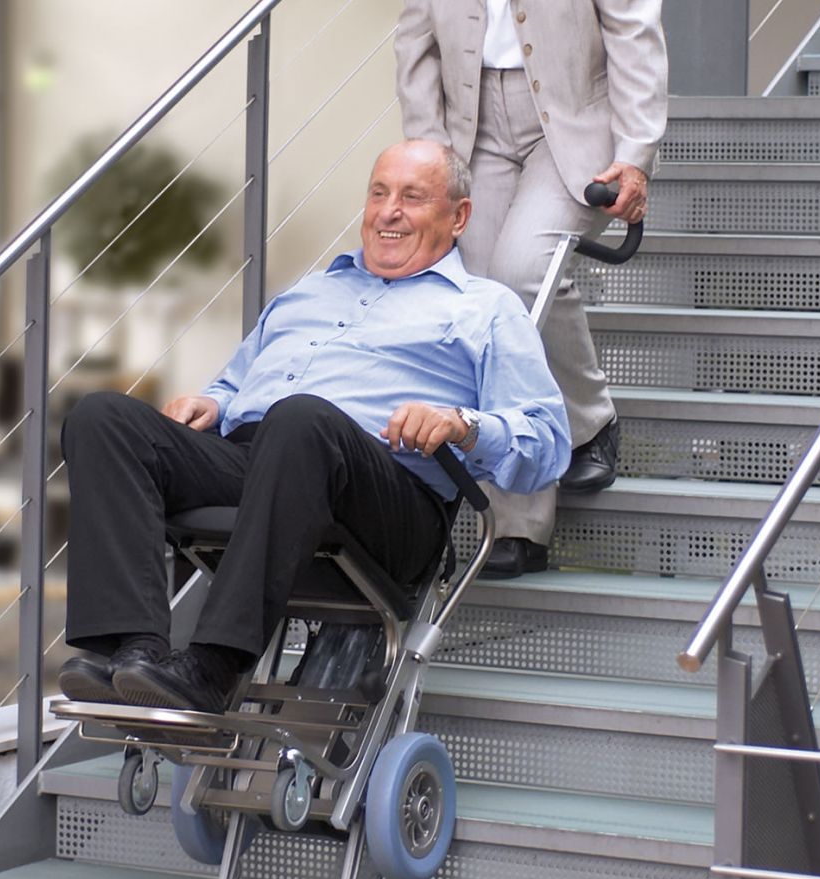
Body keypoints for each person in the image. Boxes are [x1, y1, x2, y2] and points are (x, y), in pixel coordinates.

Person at [56, 139, 571, 714]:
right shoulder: (308, 291)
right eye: (379, 193)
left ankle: (214, 666)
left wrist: (463, 424)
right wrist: (215, 404)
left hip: (386, 495)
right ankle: (133, 653)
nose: (389, 211)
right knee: (103, 418)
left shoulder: (487, 307)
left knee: (302, 419)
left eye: (412, 197)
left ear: (459, 216)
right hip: (267, 460)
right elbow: (237, 382)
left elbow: (548, 444)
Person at [395, 0, 668, 577]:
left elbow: (632, 26)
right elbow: (416, 44)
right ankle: (516, 524)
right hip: (470, 127)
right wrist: (430, 153)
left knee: (521, 272)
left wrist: (636, 151)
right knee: (481, 301)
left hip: (574, 120)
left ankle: (588, 421)